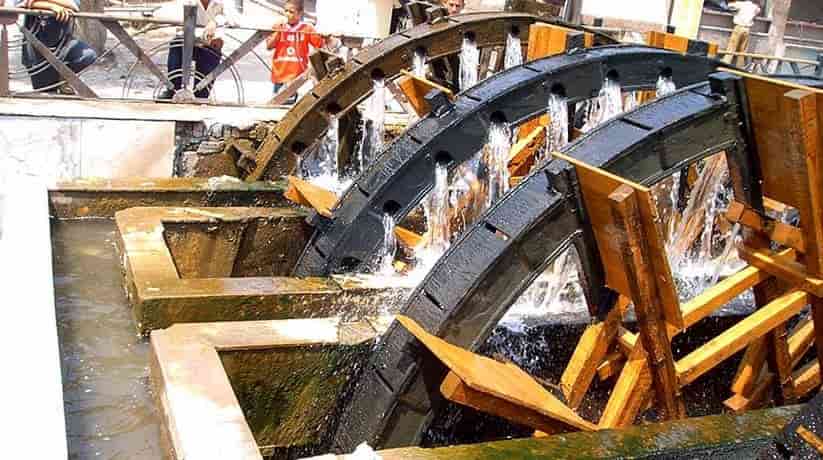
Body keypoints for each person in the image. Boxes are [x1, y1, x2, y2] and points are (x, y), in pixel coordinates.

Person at [157, 0, 238, 100]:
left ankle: (201, 93)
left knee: (202, 92)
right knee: (176, 45)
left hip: (211, 44)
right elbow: (176, 18)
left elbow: (234, 18)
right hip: (187, 39)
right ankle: (172, 89)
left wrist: (215, 21)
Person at [16, 0, 97, 94]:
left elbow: (73, 5)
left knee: (88, 55)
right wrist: (52, 7)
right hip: (36, 52)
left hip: (63, 45)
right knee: (45, 91)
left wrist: (34, 3)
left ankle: (63, 79)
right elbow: (20, 4)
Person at [267, 0, 326, 104]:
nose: (287, 14)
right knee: (276, 103)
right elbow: (269, 46)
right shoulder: (278, 26)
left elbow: (319, 44)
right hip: (280, 71)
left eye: (291, 12)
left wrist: (325, 36)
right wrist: (278, 32)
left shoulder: (306, 28)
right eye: (286, 11)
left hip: (296, 74)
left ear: (300, 13)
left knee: (288, 104)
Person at [724, 1, 761, 67]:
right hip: (747, 29)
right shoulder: (754, 7)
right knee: (742, 50)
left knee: (731, 48)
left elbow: (729, 6)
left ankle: (725, 64)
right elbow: (758, 11)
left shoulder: (739, 4)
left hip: (739, 27)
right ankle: (740, 66)